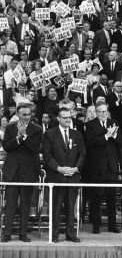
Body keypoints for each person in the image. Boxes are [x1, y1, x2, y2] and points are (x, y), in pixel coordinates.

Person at [43, 107, 87, 243]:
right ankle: (54, 235)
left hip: (73, 176)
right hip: (57, 177)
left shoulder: (77, 134)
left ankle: (70, 234)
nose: (68, 120)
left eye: (69, 117)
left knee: (70, 208)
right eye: (65, 117)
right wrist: (58, 168)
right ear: (58, 119)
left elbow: (82, 153)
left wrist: (75, 168)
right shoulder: (50, 134)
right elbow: (47, 155)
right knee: (56, 208)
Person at [1, 103, 42, 243]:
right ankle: (6, 234)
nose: (27, 117)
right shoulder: (10, 128)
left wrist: (24, 136)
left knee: (25, 204)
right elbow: (6, 147)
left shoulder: (37, 129)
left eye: (29, 114)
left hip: (28, 172)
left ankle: (23, 234)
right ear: (17, 114)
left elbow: (35, 148)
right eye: (24, 114)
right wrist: (18, 138)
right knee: (10, 204)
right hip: (12, 172)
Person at [85, 100, 122, 234]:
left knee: (111, 197)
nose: (104, 114)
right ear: (96, 112)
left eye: (105, 111)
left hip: (111, 166)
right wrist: (106, 135)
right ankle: (96, 225)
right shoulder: (90, 125)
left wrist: (115, 134)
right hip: (96, 167)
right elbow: (90, 143)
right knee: (96, 197)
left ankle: (112, 225)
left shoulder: (114, 123)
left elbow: (121, 142)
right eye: (101, 111)